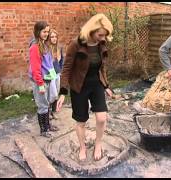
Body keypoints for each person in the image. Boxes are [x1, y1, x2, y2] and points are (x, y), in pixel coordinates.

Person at [56, 13, 114, 161]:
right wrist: (63, 92)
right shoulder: (76, 44)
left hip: (96, 85)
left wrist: (106, 85)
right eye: (100, 35)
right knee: (81, 121)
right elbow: (67, 68)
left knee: (101, 118)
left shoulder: (101, 44)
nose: (103, 38)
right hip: (79, 86)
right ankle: (82, 147)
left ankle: (98, 144)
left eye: (105, 36)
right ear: (91, 30)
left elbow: (102, 68)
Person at [28, 21, 59, 138]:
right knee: (42, 105)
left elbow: (48, 64)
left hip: (47, 79)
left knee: (47, 104)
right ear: (38, 31)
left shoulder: (44, 44)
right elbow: (36, 68)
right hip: (40, 81)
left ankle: (48, 125)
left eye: (47, 31)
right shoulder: (35, 47)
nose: (46, 34)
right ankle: (43, 130)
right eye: (44, 31)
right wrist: (40, 84)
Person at [48, 29, 64, 120]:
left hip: (57, 73)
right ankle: (48, 111)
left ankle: (53, 112)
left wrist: (61, 70)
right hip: (50, 75)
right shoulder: (47, 49)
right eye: (52, 37)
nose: (54, 39)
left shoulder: (59, 48)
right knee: (53, 94)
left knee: (56, 93)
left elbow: (62, 60)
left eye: (55, 37)